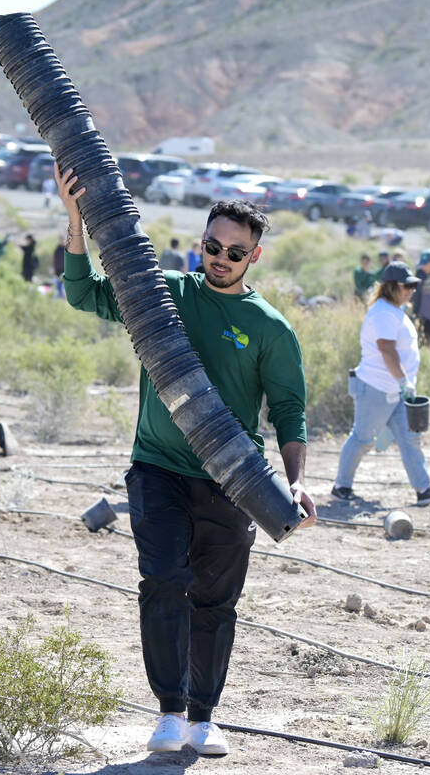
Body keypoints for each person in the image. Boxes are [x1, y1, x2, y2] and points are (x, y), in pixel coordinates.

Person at [57, 161, 316, 758]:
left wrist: (298, 483)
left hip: (232, 482)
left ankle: (204, 718)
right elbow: (82, 293)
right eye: (212, 245)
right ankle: (170, 711)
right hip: (157, 469)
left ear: (255, 257)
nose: (220, 257)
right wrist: (76, 220)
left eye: (234, 251)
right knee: (164, 580)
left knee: (215, 600)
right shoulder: (166, 294)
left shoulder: (269, 328)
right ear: (200, 242)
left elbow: (289, 412)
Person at [333, 261, 430, 507]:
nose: (412, 290)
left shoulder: (392, 310)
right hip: (377, 388)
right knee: (363, 438)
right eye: (407, 285)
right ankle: (341, 487)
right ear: (391, 287)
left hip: (396, 389)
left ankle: (424, 489)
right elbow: (386, 350)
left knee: (411, 438)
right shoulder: (384, 313)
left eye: (413, 285)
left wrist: (403, 384)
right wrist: (403, 381)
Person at [51, 233, 67, 298]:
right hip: (58, 271)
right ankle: (60, 298)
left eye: (63, 239)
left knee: (65, 286)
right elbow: (54, 260)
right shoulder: (57, 249)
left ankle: (64, 298)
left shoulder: (67, 248)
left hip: (66, 270)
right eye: (61, 239)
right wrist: (53, 268)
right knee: (58, 285)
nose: (62, 241)